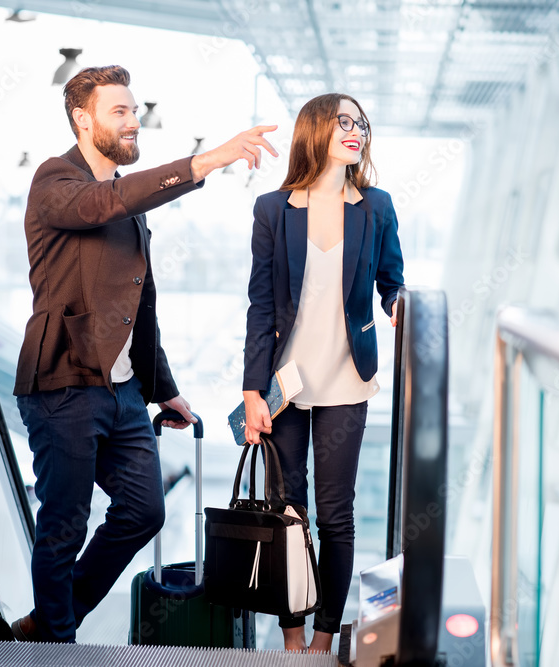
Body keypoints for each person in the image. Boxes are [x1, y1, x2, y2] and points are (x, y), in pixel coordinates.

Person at [11, 65, 277, 643]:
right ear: (83, 120)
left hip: (126, 393)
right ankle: (55, 643)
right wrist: (206, 161)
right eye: (120, 112)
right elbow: (102, 203)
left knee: (143, 511)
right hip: (64, 383)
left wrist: (164, 388)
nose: (134, 122)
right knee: (64, 524)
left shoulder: (127, 206)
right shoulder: (56, 180)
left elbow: (142, 311)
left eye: (135, 111)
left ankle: (53, 620)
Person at [241, 93, 404, 651]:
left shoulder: (376, 206)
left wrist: (398, 303)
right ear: (315, 132)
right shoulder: (273, 209)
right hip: (286, 385)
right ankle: (291, 638)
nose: (353, 131)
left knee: (336, 514)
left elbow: (392, 279)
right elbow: (261, 305)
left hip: (345, 379)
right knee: (289, 513)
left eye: (359, 123)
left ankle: (324, 638)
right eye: (342, 123)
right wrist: (251, 391)